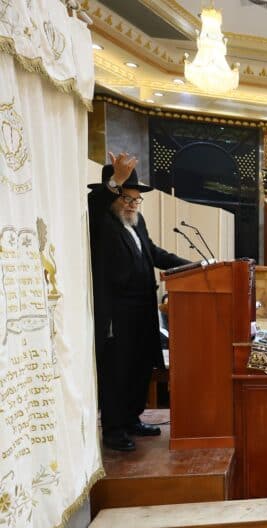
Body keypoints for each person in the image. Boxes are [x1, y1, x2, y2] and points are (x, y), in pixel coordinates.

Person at [88, 152, 191, 452]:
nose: (132, 204)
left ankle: (132, 418)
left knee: (139, 367)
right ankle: (114, 429)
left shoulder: (137, 222)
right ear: (113, 197)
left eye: (136, 199)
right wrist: (114, 182)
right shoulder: (101, 220)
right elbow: (95, 204)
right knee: (117, 370)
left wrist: (196, 265)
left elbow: (155, 253)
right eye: (126, 198)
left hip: (143, 307)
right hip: (117, 311)